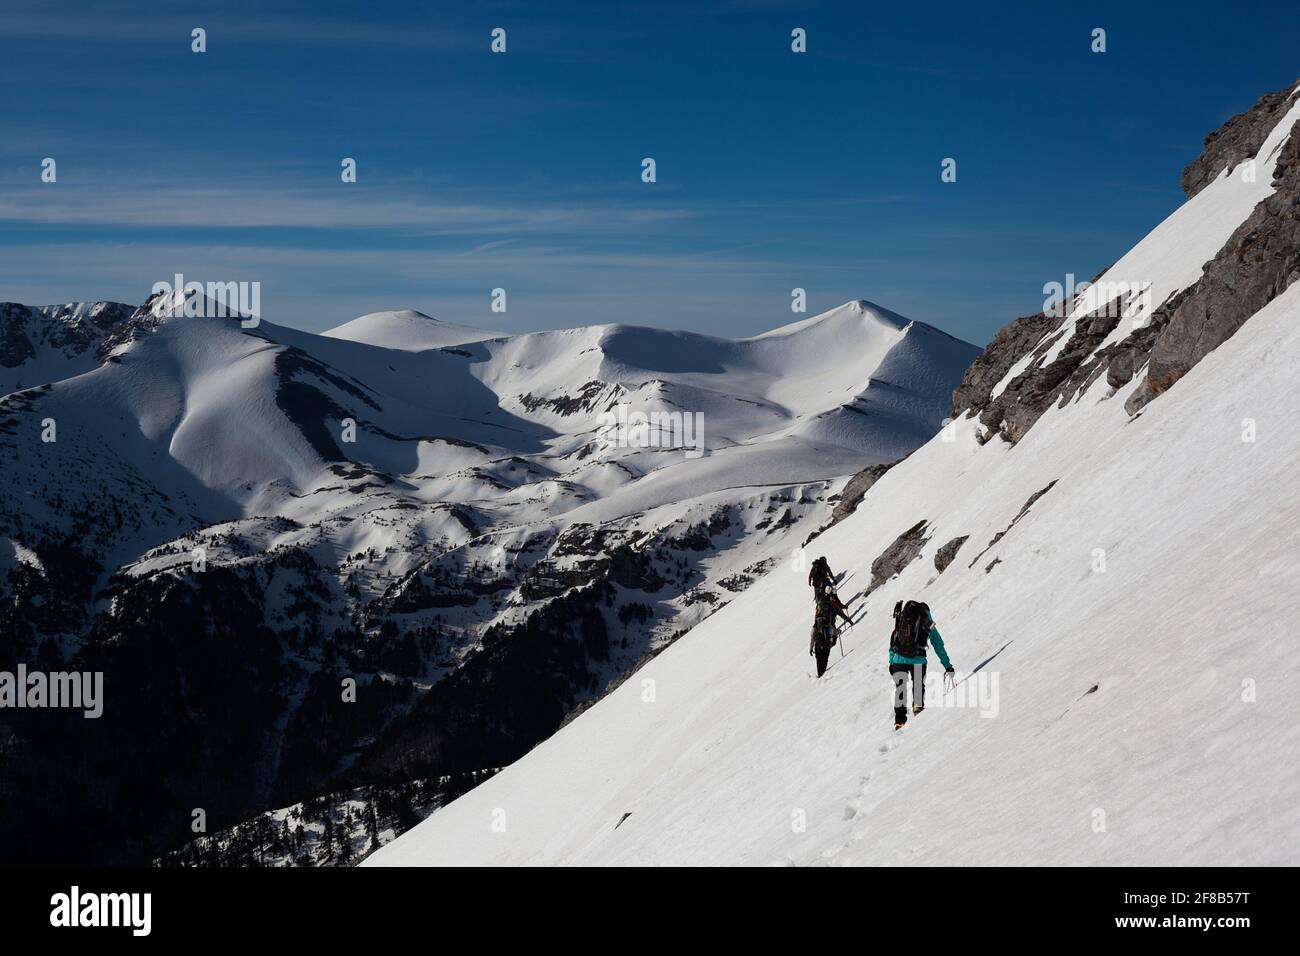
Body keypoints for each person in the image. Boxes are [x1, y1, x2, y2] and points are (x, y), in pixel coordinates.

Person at [888, 600, 955, 729]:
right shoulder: (926, 619)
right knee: (918, 686)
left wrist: (891, 661)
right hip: (918, 659)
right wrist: (947, 665)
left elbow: (894, 638)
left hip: (898, 659)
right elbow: (938, 644)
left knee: (900, 689)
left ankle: (899, 722)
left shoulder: (903, 616)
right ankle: (918, 712)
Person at [810, 583, 852, 677]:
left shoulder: (819, 605)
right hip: (827, 638)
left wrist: (811, 647)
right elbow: (839, 612)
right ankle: (822, 674)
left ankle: (820, 674)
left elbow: (812, 633)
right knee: (825, 657)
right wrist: (847, 621)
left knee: (819, 660)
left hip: (818, 643)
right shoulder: (830, 604)